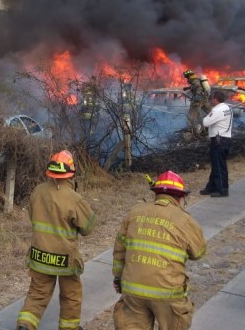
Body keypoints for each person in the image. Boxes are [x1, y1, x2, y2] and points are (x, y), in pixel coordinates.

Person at [112, 170, 207, 330]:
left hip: (133, 291)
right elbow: (199, 253)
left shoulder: (134, 213)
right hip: (167, 294)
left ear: (156, 194)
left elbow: (119, 250)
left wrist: (117, 279)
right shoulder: (185, 220)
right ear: (180, 197)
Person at [16, 150, 96, 330]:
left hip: (39, 254)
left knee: (37, 293)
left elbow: (32, 216)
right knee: (71, 295)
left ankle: (25, 325)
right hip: (65, 257)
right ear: (71, 172)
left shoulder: (38, 191)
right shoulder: (74, 198)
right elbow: (88, 228)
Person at [198, 90, 233, 197]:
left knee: (219, 166)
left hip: (218, 141)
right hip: (225, 139)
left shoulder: (217, 110)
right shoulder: (227, 108)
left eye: (212, 98)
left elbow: (206, 122)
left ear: (216, 99)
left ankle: (222, 190)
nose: (211, 100)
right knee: (216, 165)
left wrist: (206, 116)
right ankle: (211, 187)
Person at [183, 70, 211, 137]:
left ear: (189, 76)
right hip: (205, 99)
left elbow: (198, 89)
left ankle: (191, 130)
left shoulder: (195, 82)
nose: (187, 79)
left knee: (191, 115)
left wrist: (196, 100)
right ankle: (216, 123)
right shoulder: (196, 80)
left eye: (187, 78)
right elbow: (196, 86)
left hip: (198, 100)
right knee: (210, 112)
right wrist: (188, 88)